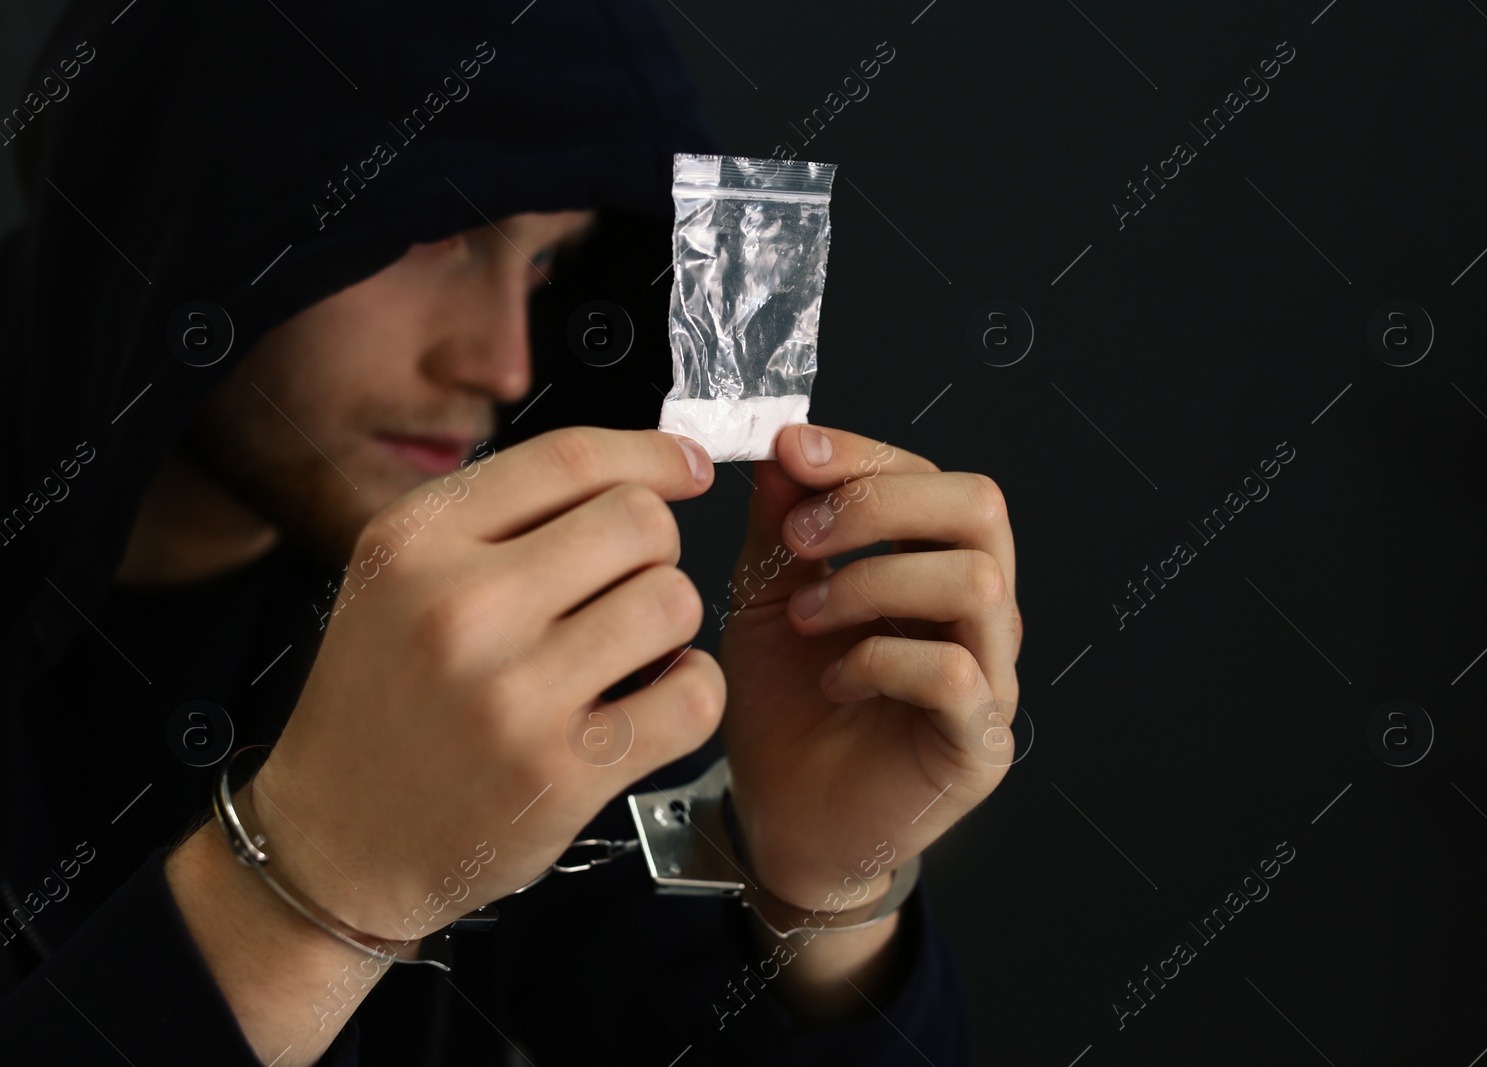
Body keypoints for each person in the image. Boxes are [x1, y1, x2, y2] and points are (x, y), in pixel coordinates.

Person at [0, 1, 1023, 1063]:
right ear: (185, 197)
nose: (503, 365)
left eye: (547, 264)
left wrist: (818, 898)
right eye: (434, 236)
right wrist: (309, 886)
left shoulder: (509, 633)